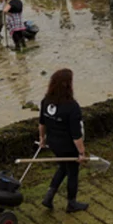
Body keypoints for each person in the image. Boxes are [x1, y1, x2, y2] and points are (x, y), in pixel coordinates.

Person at [39, 69, 88, 213]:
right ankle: (71, 203)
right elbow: (76, 134)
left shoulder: (45, 101)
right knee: (72, 171)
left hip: (54, 143)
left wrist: (42, 139)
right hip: (68, 145)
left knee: (62, 167)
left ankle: (48, 197)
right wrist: (81, 152)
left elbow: (42, 123)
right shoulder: (72, 106)